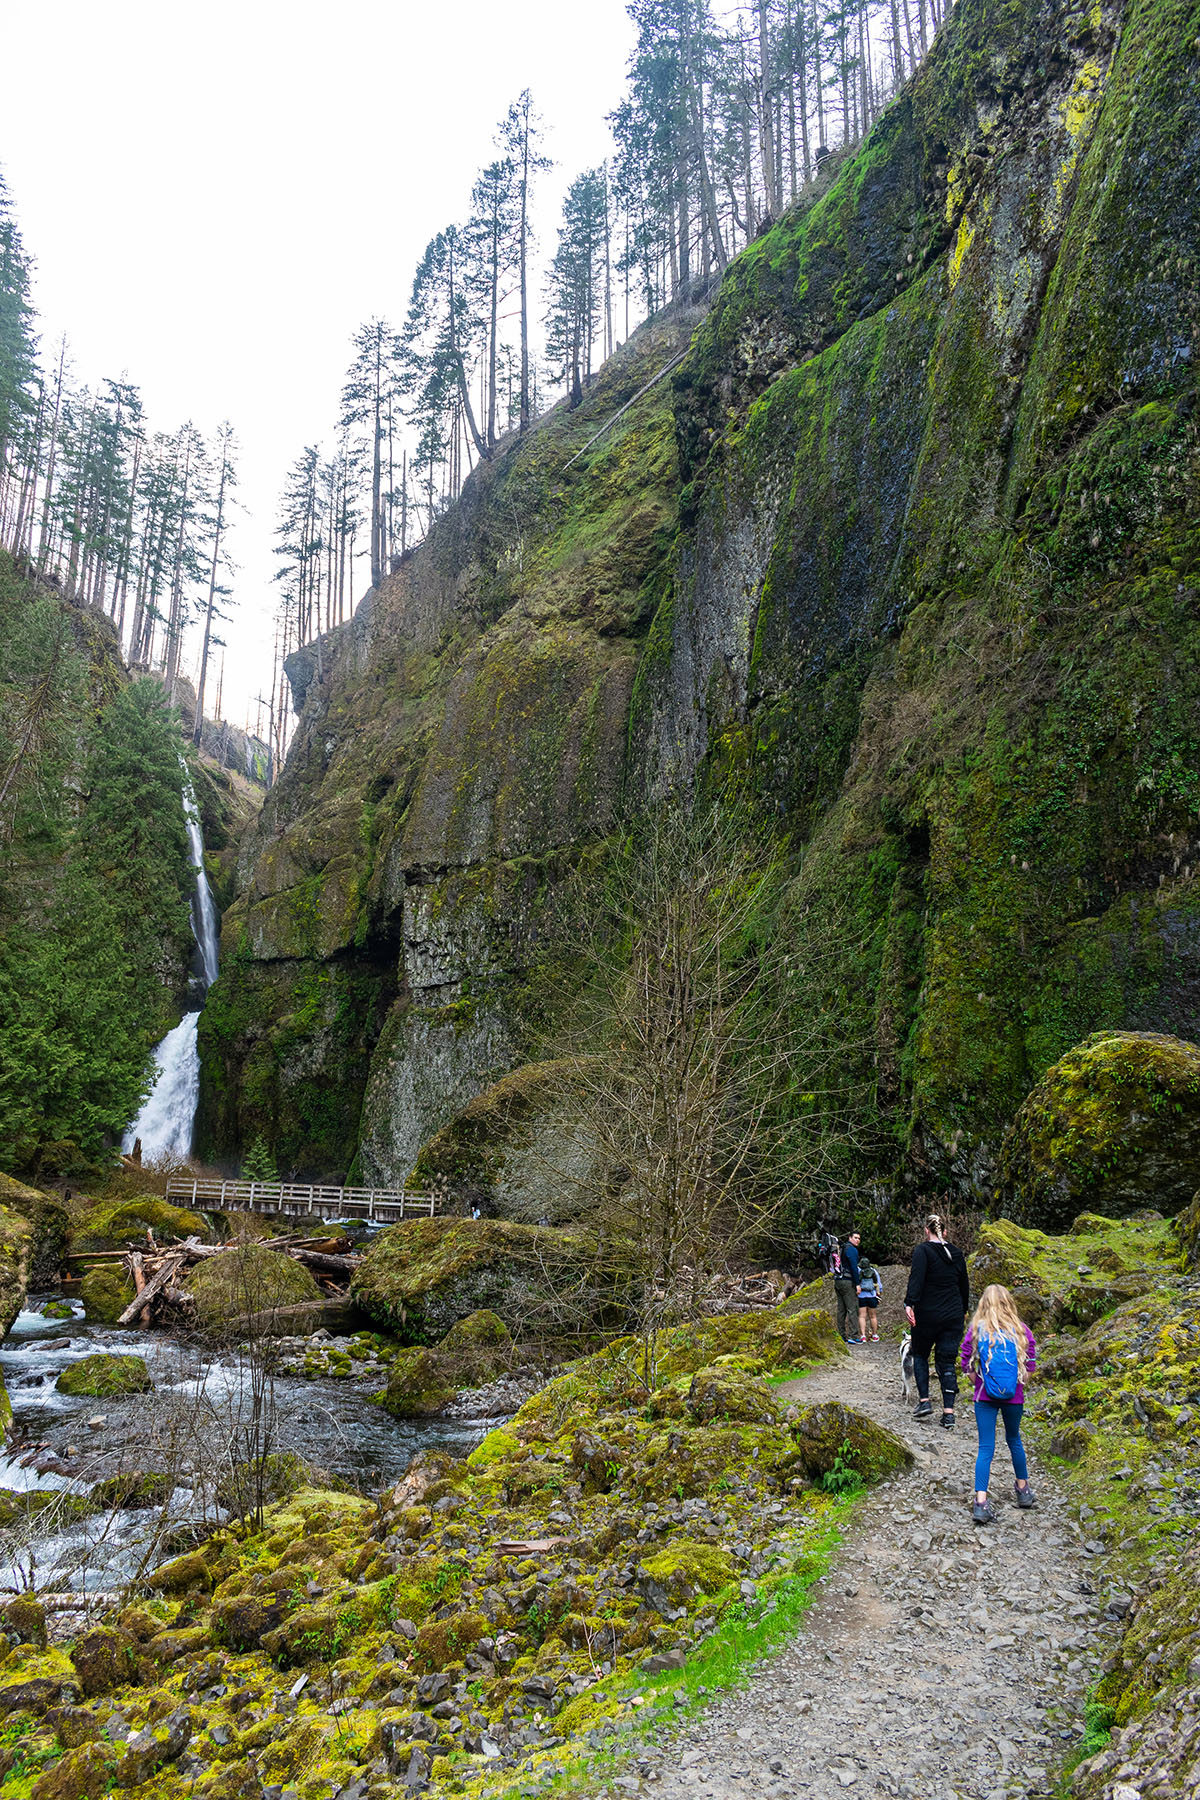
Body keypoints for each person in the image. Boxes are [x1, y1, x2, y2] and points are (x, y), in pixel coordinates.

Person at [960, 1283, 1037, 1524]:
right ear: (1008, 1303)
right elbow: (1031, 1359)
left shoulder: (977, 1330)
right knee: (1014, 1439)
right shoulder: (1020, 1329)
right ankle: (1023, 1491)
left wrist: (977, 1381)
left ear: (984, 1304)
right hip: (1014, 1397)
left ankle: (981, 1502)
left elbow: (965, 1359)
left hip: (984, 1396)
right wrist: (1019, 1383)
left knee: (985, 1448)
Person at [904, 1212, 969, 1427]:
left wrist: (909, 1303)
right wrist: (964, 1310)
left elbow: (917, 1278)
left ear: (926, 1230)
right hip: (953, 1315)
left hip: (927, 1314)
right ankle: (948, 1413)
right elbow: (964, 1285)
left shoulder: (923, 1251)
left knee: (921, 1354)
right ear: (946, 1231)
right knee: (947, 1361)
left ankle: (924, 1401)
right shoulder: (957, 1253)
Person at [834, 1230, 862, 1342]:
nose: (857, 1240)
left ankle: (841, 1335)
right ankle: (853, 1335)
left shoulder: (842, 1248)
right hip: (847, 1281)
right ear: (850, 1237)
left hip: (838, 1281)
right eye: (855, 1238)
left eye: (859, 1238)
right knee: (852, 1308)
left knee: (841, 1309)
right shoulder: (852, 1250)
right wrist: (857, 1284)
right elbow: (854, 1268)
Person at [856, 1260, 882, 1341]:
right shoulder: (873, 1271)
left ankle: (863, 1336)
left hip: (861, 1296)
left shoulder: (858, 1271)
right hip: (872, 1295)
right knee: (873, 1316)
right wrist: (879, 1292)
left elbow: (856, 1282)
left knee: (862, 1316)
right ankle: (874, 1335)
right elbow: (879, 1284)